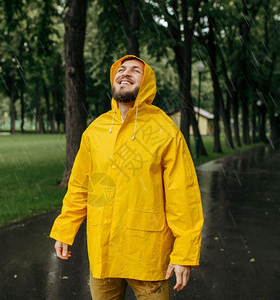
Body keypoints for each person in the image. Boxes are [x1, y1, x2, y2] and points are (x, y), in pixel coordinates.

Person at [50, 55, 204, 299]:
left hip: (148, 256)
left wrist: (184, 253)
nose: (125, 73)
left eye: (135, 71)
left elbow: (182, 195)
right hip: (104, 253)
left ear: (147, 83)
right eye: (121, 70)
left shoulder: (164, 130)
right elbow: (81, 186)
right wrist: (64, 229)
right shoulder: (95, 131)